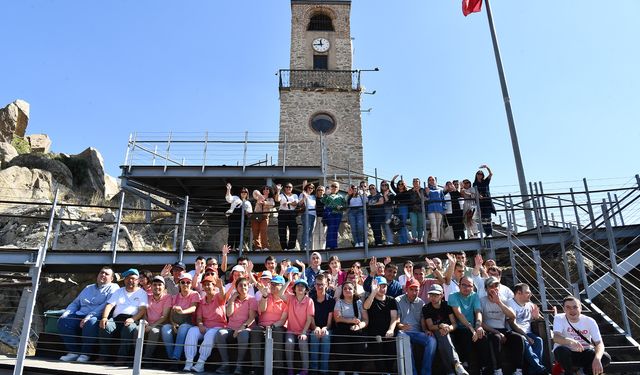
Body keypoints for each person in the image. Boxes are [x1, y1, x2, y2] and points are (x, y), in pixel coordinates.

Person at [57, 266, 119, 363]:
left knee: (91, 323)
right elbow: (75, 303)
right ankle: (73, 352)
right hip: (80, 314)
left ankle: (86, 354)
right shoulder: (88, 288)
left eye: (106, 274)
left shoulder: (114, 287)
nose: (103, 275)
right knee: (63, 321)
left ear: (111, 278)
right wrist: (66, 313)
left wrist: (89, 316)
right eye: (101, 272)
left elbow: (106, 305)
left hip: (96, 315)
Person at [97, 269, 148, 365]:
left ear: (138, 280)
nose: (130, 281)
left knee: (129, 328)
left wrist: (132, 319)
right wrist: (104, 318)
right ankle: (104, 355)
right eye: (128, 278)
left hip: (132, 318)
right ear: (124, 280)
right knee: (105, 325)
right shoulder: (119, 291)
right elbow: (109, 305)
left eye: (133, 278)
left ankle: (122, 357)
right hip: (117, 319)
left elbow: (142, 310)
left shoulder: (142, 293)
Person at [480, 276, 527, 375]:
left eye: (496, 285)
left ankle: (518, 370)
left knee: (519, 338)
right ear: (486, 289)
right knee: (496, 338)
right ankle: (498, 370)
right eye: (491, 286)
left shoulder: (504, 300)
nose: (494, 288)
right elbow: (481, 322)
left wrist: (499, 302)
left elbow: (512, 316)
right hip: (490, 330)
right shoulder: (482, 301)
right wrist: (496, 332)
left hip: (503, 329)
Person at [552, 296, 610, 375]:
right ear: (564, 309)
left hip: (584, 352)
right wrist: (571, 341)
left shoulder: (590, 321)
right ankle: (569, 373)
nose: (572, 310)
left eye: (575, 307)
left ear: (580, 308)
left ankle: (585, 372)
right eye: (568, 307)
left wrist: (597, 358)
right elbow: (556, 338)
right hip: (567, 353)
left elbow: (599, 343)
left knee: (605, 357)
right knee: (561, 350)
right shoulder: (559, 318)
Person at [421, 284, 468, 375]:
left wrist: (447, 328)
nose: (433, 298)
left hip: (448, 331)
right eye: (431, 295)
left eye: (436, 295)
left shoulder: (447, 305)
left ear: (441, 295)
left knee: (443, 341)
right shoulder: (426, 308)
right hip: (435, 331)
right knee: (442, 335)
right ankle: (457, 364)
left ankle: (450, 371)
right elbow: (430, 326)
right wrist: (440, 326)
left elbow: (454, 324)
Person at [183, 274, 226, 373]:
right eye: (204, 285)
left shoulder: (218, 296)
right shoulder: (202, 301)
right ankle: (189, 362)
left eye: (209, 284)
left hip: (218, 327)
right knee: (192, 331)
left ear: (214, 286)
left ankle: (200, 363)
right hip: (205, 327)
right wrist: (201, 324)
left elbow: (223, 298)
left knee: (210, 334)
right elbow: (199, 318)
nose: (206, 286)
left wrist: (220, 287)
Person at [215, 277, 258, 375]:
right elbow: (229, 314)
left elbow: (251, 318)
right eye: (240, 285)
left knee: (243, 335)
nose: (243, 287)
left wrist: (241, 328)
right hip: (231, 327)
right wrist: (232, 299)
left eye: (245, 285)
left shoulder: (252, 299)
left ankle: (239, 365)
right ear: (236, 287)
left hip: (245, 328)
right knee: (220, 333)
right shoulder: (233, 298)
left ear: (248, 287)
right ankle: (225, 364)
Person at [396, 279, 436, 375]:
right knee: (404, 339)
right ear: (406, 289)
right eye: (412, 289)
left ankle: (426, 372)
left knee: (432, 340)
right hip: (403, 332)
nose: (414, 292)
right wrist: (401, 326)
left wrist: (426, 330)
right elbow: (396, 320)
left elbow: (422, 320)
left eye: (416, 290)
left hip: (417, 332)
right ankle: (412, 372)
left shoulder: (421, 302)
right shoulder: (398, 300)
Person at [507, 283, 548, 375]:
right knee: (524, 340)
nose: (530, 294)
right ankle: (540, 368)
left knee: (538, 340)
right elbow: (512, 324)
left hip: (528, 332)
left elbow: (540, 318)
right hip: (515, 333)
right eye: (527, 292)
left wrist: (537, 317)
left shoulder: (530, 304)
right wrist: (525, 336)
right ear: (518, 293)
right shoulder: (510, 303)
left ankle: (533, 371)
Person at [449, 276, 486, 373]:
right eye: (464, 285)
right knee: (466, 335)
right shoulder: (453, 296)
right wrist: (471, 328)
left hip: (472, 327)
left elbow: (478, 311)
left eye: (469, 286)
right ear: (459, 285)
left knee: (482, 336)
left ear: (473, 287)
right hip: (458, 327)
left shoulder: (474, 295)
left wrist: (478, 326)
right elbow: (458, 314)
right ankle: (466, 365)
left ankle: (484, 367)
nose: (466, 288)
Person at [363, 276, 398, 374]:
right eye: (380, 286)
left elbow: (394, 317)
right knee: (378, 352)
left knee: (391, 352)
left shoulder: (391, 300)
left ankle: (388, 372)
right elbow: (366, 306)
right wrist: (373, 292)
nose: (383, 289)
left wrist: (391, 329)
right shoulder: (370, 299)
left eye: (384, 286)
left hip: (388, 332)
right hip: (374, 333)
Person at [333, 280, 368, 375]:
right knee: (341, 345)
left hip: (357, 329)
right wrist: (351, 320)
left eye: (350, 288)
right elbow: (337, 318)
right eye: (345, 288)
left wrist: (359, 325)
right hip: (342, 328)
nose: (347, 290)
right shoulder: (339, 303)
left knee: (360, 345)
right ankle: (342, 370)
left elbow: (365, 320)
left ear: (354, 290)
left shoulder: (359, 303)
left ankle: (356, 371)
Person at [162, 273, 199, 362]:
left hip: (189, 323)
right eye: (183, 282)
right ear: (179, 284)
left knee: (182, 328)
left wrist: (182, 311)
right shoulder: (175, 297)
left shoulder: (195, 294)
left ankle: (175, 357)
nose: (185, 284)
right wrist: (172, 323)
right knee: (165, 328)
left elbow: (194, 308)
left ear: (191, 284)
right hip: (176, 323)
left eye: (188, 282)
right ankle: (172, 358)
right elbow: (171, 313)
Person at [281, 279, 315, 375]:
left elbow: (309, 319)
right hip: (291, 330)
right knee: (289, 343)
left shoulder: (309, 301)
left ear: (306, 290)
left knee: (302, 343)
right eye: (298, 286)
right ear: (294, 289)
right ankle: (290, 370)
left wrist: (304, 332)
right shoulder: (290, 298)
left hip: (304, 330)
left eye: (302, 286)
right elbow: (280, 294)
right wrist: (288, 281)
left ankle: (305, 370)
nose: (300, 288)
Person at [255, 275, 287, 375]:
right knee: (255, 331)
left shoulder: (286, 300)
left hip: (277, 326)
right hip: (262, 326)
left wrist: (272, 327)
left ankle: (278, 368)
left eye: (275, 284)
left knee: (277, 332)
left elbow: (283, 320)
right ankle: (255, 367)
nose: (272, 286)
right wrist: (264, 296)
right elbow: (262, 309)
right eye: (271, 284)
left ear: (282, 286)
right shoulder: (265, 295)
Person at [143, 276, 172, 364]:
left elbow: (164, 316)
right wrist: (145, 321)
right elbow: (144, 311)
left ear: (164, 287)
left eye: (160, 285)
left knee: (154, 331)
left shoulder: (168, 297)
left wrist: (151, 326)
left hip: (160, 324)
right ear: (151, 286)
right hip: (147, 323)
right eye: (154, 285)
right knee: (137, 330)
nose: (157, 287)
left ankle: (146, 358)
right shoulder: (147, 297)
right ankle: (134, 356)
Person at [309, 274, 334, 374]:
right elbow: (311, 320)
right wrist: (316, 328)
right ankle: (314, 370)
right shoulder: (310, 300)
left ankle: (324, 371)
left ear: (326, 285)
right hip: (314, 328)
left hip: (327, 329)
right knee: (314, 335)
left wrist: (324, 328)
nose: (319, 287)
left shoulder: (331, 300)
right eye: (317, 284)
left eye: (322, 284)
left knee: (326, 336)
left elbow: (329, 323)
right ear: (314, 285)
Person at [225, 184, 253, 249]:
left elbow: (250, 213)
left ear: (247, 194)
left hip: (242, 219)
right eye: (242, 192)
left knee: (240, 233)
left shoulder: (248, 203)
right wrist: (228, 189)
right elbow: (228, 198)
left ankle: (238, 247)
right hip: (233, 217)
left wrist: (245, 211)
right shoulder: (236, 198)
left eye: (245, 192)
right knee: (231, 233)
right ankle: (230, 248)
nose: (243, 193)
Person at [274, 182, 300, 251]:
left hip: (292, 213)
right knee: (282, 231)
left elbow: (296, 203)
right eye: (287, 187)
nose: (288, 188)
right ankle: (284, 247)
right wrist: (278, 191)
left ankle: (291, 247)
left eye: (290, 187)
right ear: (284, 188)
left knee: (293, 230)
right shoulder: (282, 195)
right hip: (283, 213)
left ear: (292, 188)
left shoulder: (294, 195)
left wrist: (288, 203)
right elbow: (277, 199)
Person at [321, 182, 346, 249]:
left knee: (335, 230)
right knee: (330, 229)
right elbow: (323, 201)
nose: (334, 188)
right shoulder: (328, 195)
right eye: (333, 186)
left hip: (338, 214)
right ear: (331, 187)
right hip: (330, 214)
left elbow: (345, 205)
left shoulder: (341, 196)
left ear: (338, 188)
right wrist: (326, 194)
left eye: (336, 186)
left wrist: (341, 206)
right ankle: (329, 246)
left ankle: (334, 245)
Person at [473, 165, 495, 237]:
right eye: (478, 174)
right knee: (483, 218)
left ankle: (490, 233)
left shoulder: (485, 181)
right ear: (476, 175)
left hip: (487, 201)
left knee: (488, 217)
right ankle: (487, 233)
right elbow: (475, 192)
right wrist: (479, 196)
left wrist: (487, 167)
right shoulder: (475, 183)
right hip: (480, 202)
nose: (480, 175)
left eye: (481, 174)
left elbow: (491, 174)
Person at [252, 185, 275, 251]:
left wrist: (264, 202)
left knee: (263, 231)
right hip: (256, 215)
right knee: (255, 232)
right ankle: (257, 247)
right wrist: (260, 196)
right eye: (264, 189)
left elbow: (272, 204)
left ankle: (265, 247)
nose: (265, 190)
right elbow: (254, 192)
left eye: (267, 189)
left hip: (264, 216)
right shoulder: (258, 197)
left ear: (269, 191)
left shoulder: (271, 199)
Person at [390, 175, 411, 244]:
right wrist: (394, 179)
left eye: (402, 184)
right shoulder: (397, 192)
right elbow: (392, 185)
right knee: (398, 224)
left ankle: (405, 241)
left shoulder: (407, 192)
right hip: (397, 209)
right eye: (399, 184)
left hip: (404, 208)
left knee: (402, 224)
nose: (400, 185)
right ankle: (402, 241)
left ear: (404, 185)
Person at [426, 176, 446, 242]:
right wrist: (427, 193)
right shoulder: (426, 189)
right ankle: (433, 238)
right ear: (428, 181)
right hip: (431, 209)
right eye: (430, 180)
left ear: (435, 181)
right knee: (433, 223)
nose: (431, 181)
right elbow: (426, 199)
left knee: (438, 224)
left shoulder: (440, 190)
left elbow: (443, 199)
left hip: (439, 208)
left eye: (433, 180)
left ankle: (438, 238)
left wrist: (444, 208)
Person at [299, 182, 317, 251]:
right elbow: (299, 203)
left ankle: (308, 247)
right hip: (306, 214)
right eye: (309, 187)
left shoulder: (313, 197)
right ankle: (304, 247)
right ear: (306, 188)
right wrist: (304, 197)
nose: (310, 189)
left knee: (310, 231)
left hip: (313, 215)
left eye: (312, 188)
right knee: (306, 230)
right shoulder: (302, 194)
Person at [409, 177, 426, 243]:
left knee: (420, 225)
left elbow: (423, 199)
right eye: (414, 181)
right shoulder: (410, 191)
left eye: (417, 181)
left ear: (419, 183)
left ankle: (420, 239)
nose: (415, 182)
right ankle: (414, 238)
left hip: (421, 210)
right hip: (412, 210)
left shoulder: (422, 190)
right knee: (413, 224)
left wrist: (418, 191)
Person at [312, 185, 327, 250]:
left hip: (323, 218)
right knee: (315, 234)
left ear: (324, 191)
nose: (320, 191)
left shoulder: (326, 199)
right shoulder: (314, 198)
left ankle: (322, 249)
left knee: (323, 234)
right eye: (319, 190)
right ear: (316, 191)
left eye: (322, 190)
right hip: (315, 217)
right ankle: (315, 249)